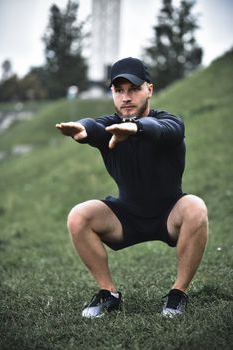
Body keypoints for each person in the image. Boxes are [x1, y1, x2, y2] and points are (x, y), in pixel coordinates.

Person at [55, 57, 208, 318]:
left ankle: (178, 293)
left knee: (195, 206)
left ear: (149, 89)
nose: (126, 97)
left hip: (170, 215)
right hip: (126, 217)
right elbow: (93, 126)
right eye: (119, 90)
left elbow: (162, 129)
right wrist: (82, 127)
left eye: (133, 89)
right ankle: (108, 293)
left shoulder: (169, 121)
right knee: (79, 215)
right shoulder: (110, 125)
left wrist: (134, 128)